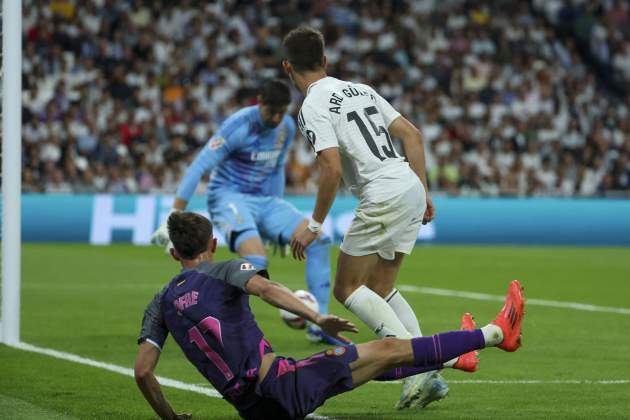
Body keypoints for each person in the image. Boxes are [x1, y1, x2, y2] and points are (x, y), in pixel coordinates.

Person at [135, 212, 525, 420]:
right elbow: (267, 290)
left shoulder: (162, 301)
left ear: (174, 254)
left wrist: (169, 418)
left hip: (254, 409)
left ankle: (457, 357)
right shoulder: (224, 269)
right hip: (280, 384)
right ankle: (495, 333)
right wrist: (316, 317)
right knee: (388, 348)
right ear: (214, 244)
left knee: (371, 362)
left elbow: (142, 372)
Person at [281, 26, 447, 408]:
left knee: (346, 289)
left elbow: (331, 169)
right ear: (324, 61)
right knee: (378, 287)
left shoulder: (311, 106)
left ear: (287, 66)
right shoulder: (360, 89)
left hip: (381, 193)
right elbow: (413, 135)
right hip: (406, 182)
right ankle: (428, 373)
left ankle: (415, 367)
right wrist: (422, 190)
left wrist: (314, 225)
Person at [150, 79, 341, 345]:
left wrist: (274, 223)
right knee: (255, 260)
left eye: (281, 111)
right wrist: (175, 213)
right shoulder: (238, 126)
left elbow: (275, 169)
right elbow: (198, 167)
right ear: (259, 103)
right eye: (270, 111)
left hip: (265, 200)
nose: (275, 118)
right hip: (229, 197)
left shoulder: (285, 126)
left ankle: (319, 324)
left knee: (319, 240)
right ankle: (216, 323)